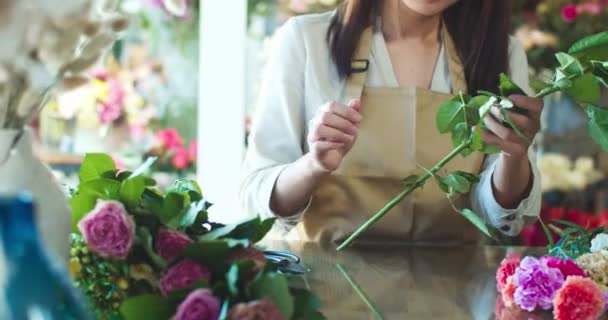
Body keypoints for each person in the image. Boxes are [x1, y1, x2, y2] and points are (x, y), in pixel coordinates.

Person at [240, 0, 542, 244]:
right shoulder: (307, 40)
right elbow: (257, 196)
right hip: (327, 291)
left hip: (452, 294)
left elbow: (502, 217)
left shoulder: (501, 54)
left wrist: (514, 155)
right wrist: (314, 164)